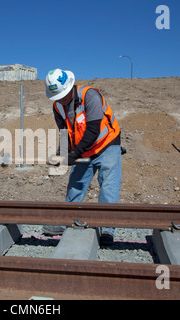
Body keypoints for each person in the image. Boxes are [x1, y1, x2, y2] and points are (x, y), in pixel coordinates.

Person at [43, 68, 123, 245]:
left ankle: (107, 230)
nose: (61, 99)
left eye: (63, 95)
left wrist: (74, 154)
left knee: (109, 186)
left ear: (71, 86)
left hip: (106, 144)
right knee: (75, 186)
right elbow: (65, 132)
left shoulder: (90, 96)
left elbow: (93, 130)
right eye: (58, 96)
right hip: (84, 148)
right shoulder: (57, 106)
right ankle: (68, 223)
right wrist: (62, 154)